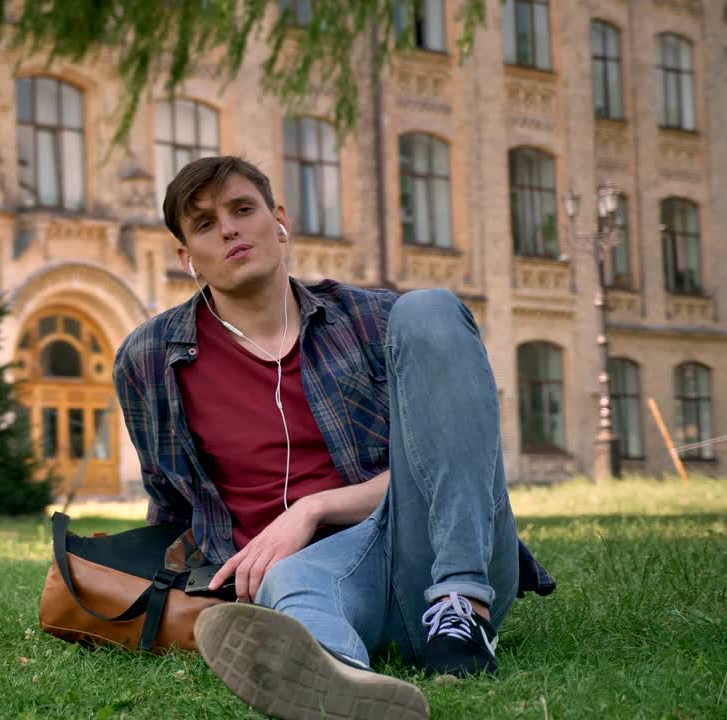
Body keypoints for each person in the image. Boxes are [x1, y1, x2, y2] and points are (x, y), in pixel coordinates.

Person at [112, 156, 554, 719]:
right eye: (204, 224)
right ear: (186, 257)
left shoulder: (374, 322)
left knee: (433, 307)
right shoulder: (150, 359)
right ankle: (345, 685)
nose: (228, 229)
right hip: (305, 582)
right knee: (292, 578)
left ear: (279, 220)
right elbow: (170, 502)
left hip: (432, 551)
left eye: (242, 210)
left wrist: (313, 509)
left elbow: (451, 463)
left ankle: (463, 612)